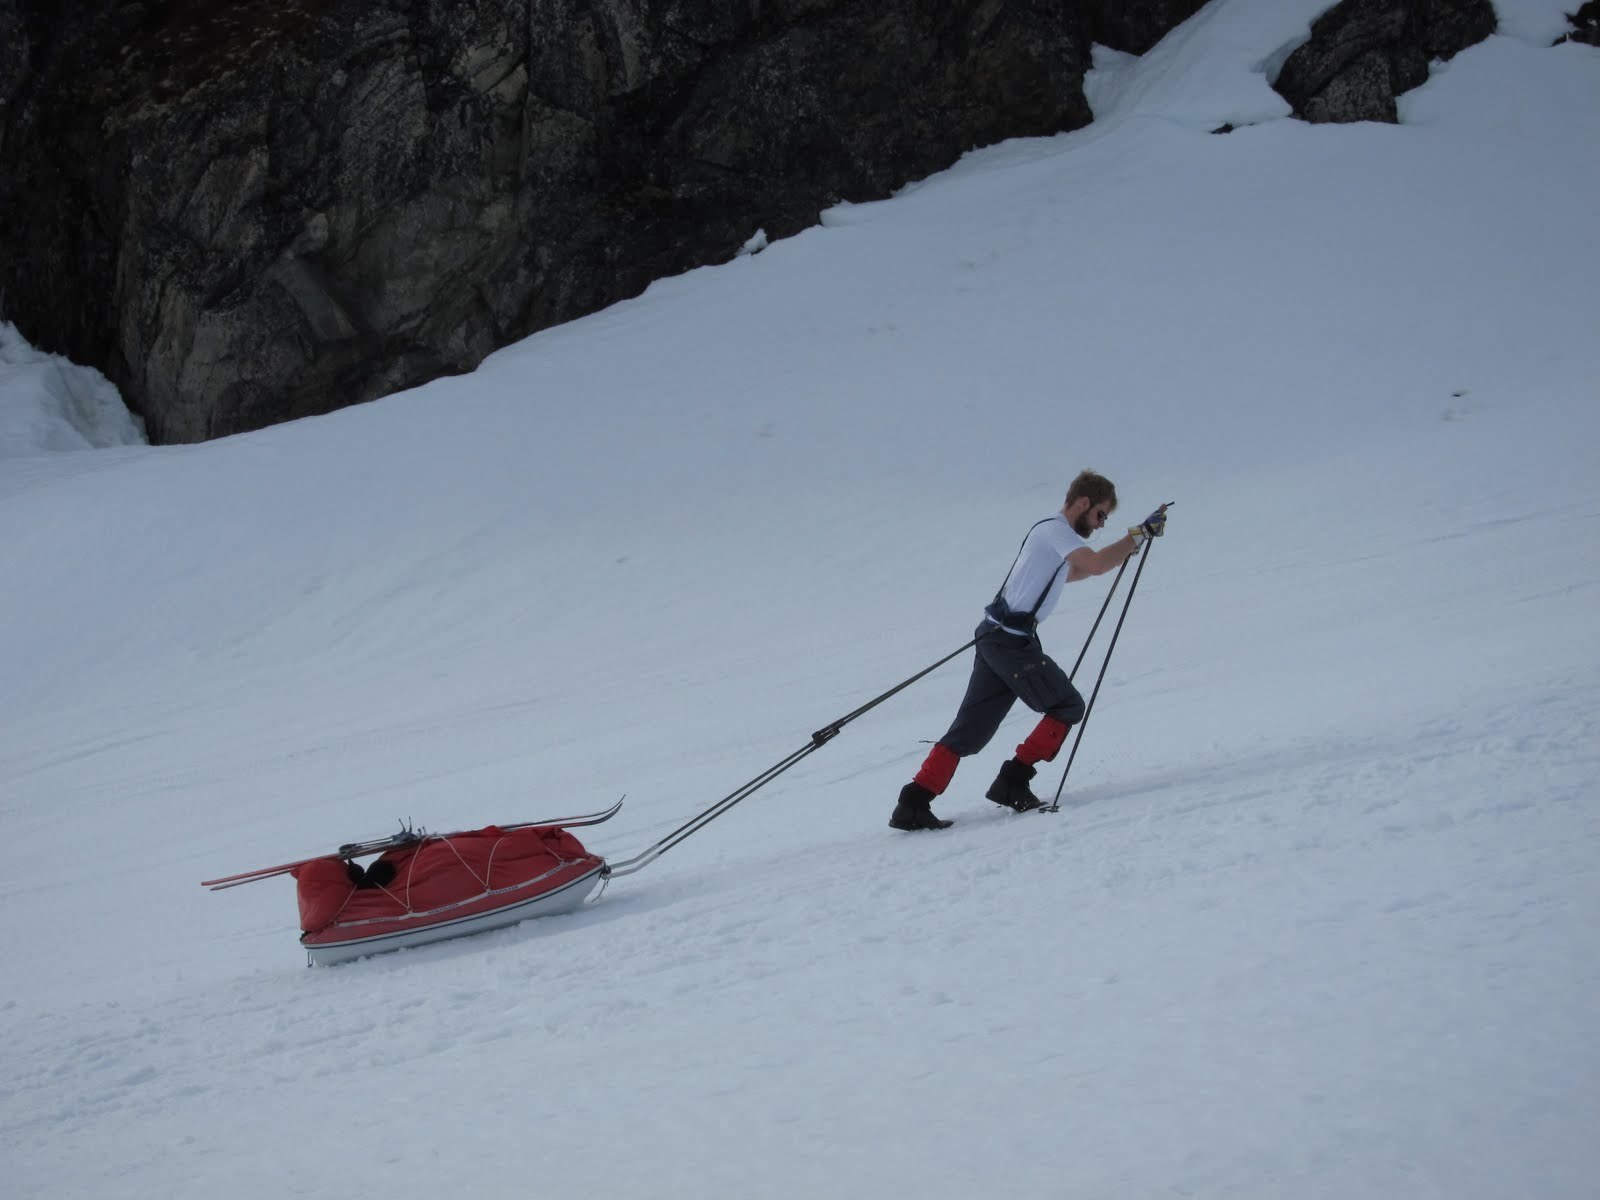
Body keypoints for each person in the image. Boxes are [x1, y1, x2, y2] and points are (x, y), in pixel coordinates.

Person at [889, 471, 1168, 831]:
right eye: (1100, 514)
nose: (1100, 524)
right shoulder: (1057, 531)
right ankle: (1013, 782)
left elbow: (1074, 572)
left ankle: (912, 803)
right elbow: (1096, 564)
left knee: (971, 729)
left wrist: (1129, 546)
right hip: (1010, 642)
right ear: (1083, 503)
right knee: (1067, 706)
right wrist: (1137, 535)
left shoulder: (1050, 533)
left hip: (998, 637)